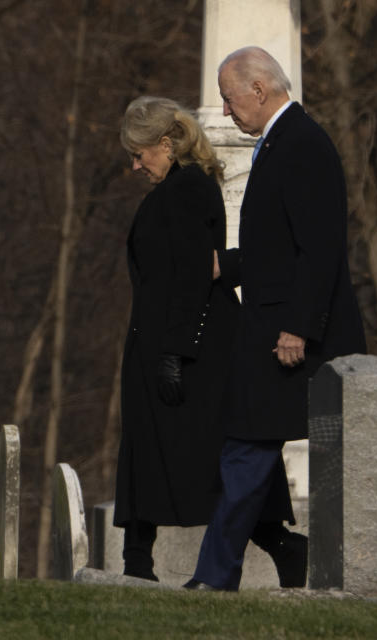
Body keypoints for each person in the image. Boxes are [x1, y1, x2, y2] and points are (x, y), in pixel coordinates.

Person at [184, 47, 366, 591]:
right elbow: (278, 247)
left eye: (229, 96)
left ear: (259, 91)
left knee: (246, 447)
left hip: (293, 337)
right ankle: (277, 554)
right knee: (245, 446)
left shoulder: (303, 144)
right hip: (274, 329)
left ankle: (216, 579)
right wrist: (225, 265)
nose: (224, 110)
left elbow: (320, 247)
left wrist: (299, 328)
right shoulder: (283, 141)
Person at [114, 96, 240, 581]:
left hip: (186, 351)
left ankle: (277, 541)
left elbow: (192, 276)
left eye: (140, 152)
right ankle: (136, 561)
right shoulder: (176, 189)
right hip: (161, 345)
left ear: (166, 144)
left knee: (202, 455)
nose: (135, 164)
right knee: (147, 450)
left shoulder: (188, 189)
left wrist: (174, 352)